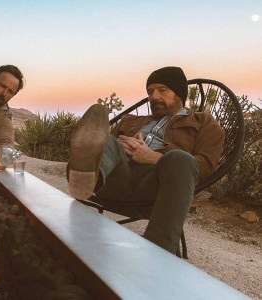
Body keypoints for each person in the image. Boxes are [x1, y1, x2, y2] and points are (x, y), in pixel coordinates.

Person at [68, 66, 225, 254]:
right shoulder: (130, 121)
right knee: (108, 140)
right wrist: (118, 147)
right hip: (115, 178)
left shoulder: (203, 122)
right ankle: (88, 179)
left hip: (157, 185)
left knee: (181, 159)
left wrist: (153, 157)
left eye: (162, 90)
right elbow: (104, 148)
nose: (154, 96)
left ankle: (158, 251)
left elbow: (206, 165)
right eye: (150, 92)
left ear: (179, 94)